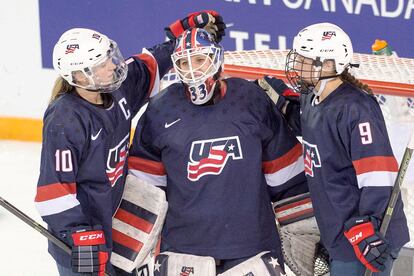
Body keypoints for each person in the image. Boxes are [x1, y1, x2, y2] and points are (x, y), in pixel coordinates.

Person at [34, 11, 225, 276]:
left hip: (118, 229)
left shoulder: (117, 91)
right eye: (101, 64)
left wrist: (178, 39)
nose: (112, 66)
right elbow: (52, 193)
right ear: (79, 76)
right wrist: (79, 234)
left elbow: (151, 64)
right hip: (81, 244)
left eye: (110, 57)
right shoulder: (65, 119)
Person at [127, 27, 308, 275]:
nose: (192, 69)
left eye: (200, 59)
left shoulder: (251, 99)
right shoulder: (160, 109)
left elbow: (286, 173)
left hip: (252, 248)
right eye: (183, 62)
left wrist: (306, 225)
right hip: (183, 250)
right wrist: (132, 254)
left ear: (216, 58)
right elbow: (144, 189)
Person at [260, 23, 409, 275]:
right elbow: (313, 125)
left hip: (365, 237)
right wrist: (280, 101)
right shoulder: (313, 96)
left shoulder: (356, 109)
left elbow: (378, 175)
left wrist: (368, 230)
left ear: (328, 65)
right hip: (337, 230)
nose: (297, 66)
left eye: (305, 60)